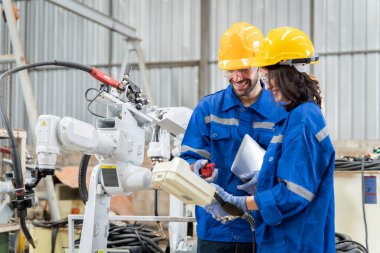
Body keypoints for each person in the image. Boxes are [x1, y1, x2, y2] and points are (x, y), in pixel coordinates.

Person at [206, 27, 336, 252]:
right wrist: (266, 181)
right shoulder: (295, 117)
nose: (267, 85)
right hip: (284, 241)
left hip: (295, 244)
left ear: (287, 73)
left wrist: (239, 203)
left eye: (267, 76)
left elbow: (294, 193)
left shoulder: (303, 120)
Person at [180, 22, 285, 253]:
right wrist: (194, 168)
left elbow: (294, 169)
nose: (237, 77)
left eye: (244, 69)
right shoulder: (208, 109)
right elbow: (187, 159)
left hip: (265, 229)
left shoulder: (281, 110)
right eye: (230, 70)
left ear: (259, 66)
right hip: (216, 230)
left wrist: (268, 177)